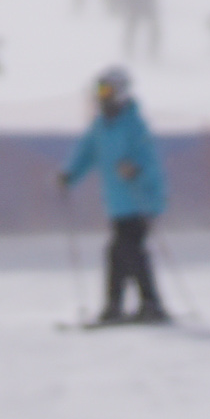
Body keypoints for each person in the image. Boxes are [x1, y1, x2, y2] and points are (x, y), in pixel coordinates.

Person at [58, 65, 170, 325]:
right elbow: (86, 153)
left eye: (107, 90)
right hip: (118, 203)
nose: (102, 96)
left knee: (126, 249)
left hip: (142, 199)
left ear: (120, 92)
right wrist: (69, 175)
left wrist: (135, 169)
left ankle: (147, 304)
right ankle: (120, 306)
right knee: (119, 251)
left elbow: (150, 161)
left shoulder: (134, 125)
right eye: (99, 90)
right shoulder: (100, 126)